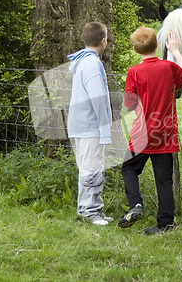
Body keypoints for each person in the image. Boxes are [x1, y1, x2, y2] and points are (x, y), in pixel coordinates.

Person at [117, 26, 182, 235]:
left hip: (142, 133)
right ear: (157, 45)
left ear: (135, 49)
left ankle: (136, 205)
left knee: (129, 169)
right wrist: (175, 51)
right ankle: (165, 224)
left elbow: (130, 104)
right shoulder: (168, 67)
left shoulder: (134, 72)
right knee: (164, 180)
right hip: (165, 133)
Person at [67, 22, 113, 226]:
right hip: (90, 126)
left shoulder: (83, 62)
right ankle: (89, 211)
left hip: (80, 124)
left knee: (91, 167)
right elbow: (98, 99)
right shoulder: (93, 64)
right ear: (103, 41)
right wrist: (105, 129)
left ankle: (93, 208)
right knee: (92, 169)